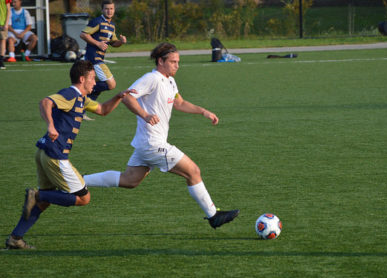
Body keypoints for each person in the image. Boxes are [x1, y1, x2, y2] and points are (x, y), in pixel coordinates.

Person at [84, 42, 240, 229]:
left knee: (130, 180)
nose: (177, 65)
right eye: (173, 62)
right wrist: (145, 115)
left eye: (178, 61)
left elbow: (179, 103)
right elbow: (126, 97)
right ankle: (213, 215)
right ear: (160, 61)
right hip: (152, 144)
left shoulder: (170, 81)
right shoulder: (152, 79)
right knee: (193, 171)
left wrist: (203, 111)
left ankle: (79, 181)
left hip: (146, 144)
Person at [5, 60, 136, 250]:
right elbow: (45, 102)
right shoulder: (70, 94)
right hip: (55, 156)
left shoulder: (82, 98)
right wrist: (50, 125)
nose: (95, 83)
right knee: (84, 198)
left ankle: (15, 238)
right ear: (82, 79)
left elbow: (102, 110)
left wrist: (118, 97)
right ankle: (37, 194)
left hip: (44, 153)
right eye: (92, 78)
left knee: (45, 202)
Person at [80, 0, 126, 100]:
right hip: (94, 59)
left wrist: (121, 42)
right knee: (111, 84)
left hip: (97, 59)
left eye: (111, 9)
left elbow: (113, 43)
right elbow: (83, 34)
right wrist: (98, 43)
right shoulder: (97, 22)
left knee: (97, 84)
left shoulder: (111, 25)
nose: (109, 11)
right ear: (102, 10)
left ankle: (83, 107)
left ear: (114, 10)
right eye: (106, 9)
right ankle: (82, 91)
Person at [0, 0, 11, 69]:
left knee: (2, 41)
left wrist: (6, 23)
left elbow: (8, 10)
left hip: (2, 23)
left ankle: (1, 60)